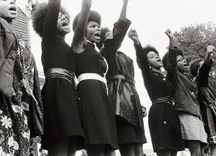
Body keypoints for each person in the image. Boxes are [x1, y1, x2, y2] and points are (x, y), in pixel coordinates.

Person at [0, 0, 43, 155]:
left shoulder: (24, 45)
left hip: (18, 110)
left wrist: (35, 121)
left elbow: (32, 86)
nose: (12, 1)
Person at [32, 0, 85, 155]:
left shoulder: (69, 47)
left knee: (71, 147)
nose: (63, 17)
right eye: (58, 16)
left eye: (65, 16)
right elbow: (54, 5)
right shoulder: (49, 37)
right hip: (56, 92)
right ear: (46, 23)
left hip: (70, 94)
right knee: (60, 142)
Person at [99, 0, 147, 155]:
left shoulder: (125, 57)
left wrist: (139, 104)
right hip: (119, 102)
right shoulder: (106, 54)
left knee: (139, 149)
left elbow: (134, 80)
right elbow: (118, 31)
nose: (113, 37)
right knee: (128, 148)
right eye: (109, 35)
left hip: (133, 102)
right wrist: (125, 4)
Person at [72, 0, 118, 155]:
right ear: (82, 29)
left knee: (109, 145)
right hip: (89, 94)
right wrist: (86, 7)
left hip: (102, 94)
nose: (97, 28)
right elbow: (80, 28)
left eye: (98, 26)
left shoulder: (97, 51)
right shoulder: (79, 44)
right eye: (92, 26)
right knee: (97, 143)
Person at [129, 28, 184, 156]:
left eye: (157, 55)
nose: (157, 57)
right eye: (152, 57)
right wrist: (137, 42)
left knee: (174, 150)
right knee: (164, 150)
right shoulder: (148, 74)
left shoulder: (167, 77)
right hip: (159, 112)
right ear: (147, 63)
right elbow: (141, 60)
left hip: (171, 112)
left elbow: (172, 65)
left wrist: (171, 40)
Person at [162, 34, 208, 156]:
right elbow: (171, 65)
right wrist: (172, 42)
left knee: (203, 151)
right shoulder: (175, 76)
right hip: (186, 113)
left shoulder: (188, 77)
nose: (184, 61)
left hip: (197, 115)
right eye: (180, 60)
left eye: (184, 59)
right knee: (196, 150)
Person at [189, 45, 216, 156]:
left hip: (211, 112)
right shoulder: (200, 81)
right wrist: (208, 54)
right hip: (208, 114)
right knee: (214, 145)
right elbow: (204, 69)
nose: (208, 65)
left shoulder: (207, 83)